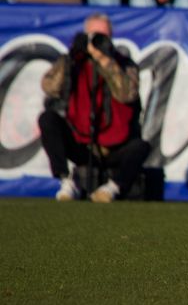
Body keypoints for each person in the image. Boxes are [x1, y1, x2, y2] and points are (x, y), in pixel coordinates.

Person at [38, 12, 151, 203]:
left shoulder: (124, 64)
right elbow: (49, 87)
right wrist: (70, 59)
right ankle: (66, 180)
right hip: (81, 142)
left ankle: (112, 188)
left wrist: (106, 62)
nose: (97, 41)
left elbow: (127, 94)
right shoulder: (73, 62)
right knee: (47, 119)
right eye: (93, 36)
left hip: (116, 145)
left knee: (140, 147)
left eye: (103, 36)